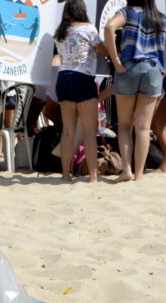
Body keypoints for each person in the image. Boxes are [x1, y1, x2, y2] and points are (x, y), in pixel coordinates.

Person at [105, 0, 166, 182]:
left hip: (128, 68)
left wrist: (115, 59)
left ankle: (127, 169)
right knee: (143, 128)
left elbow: (109, 27)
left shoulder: (128, 12)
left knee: (125, 126)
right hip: (153, 70)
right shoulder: (163, 19)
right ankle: (140, 174)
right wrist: (162, 71)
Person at [54, 0, 107, 182]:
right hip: (82, 78)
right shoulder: (89, 29)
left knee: (67, 131)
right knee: (89, 133)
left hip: (63, 79)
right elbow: (104, 51)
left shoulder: (60, 32)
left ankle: (66, 175)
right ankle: (93, 176)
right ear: (82, 10)